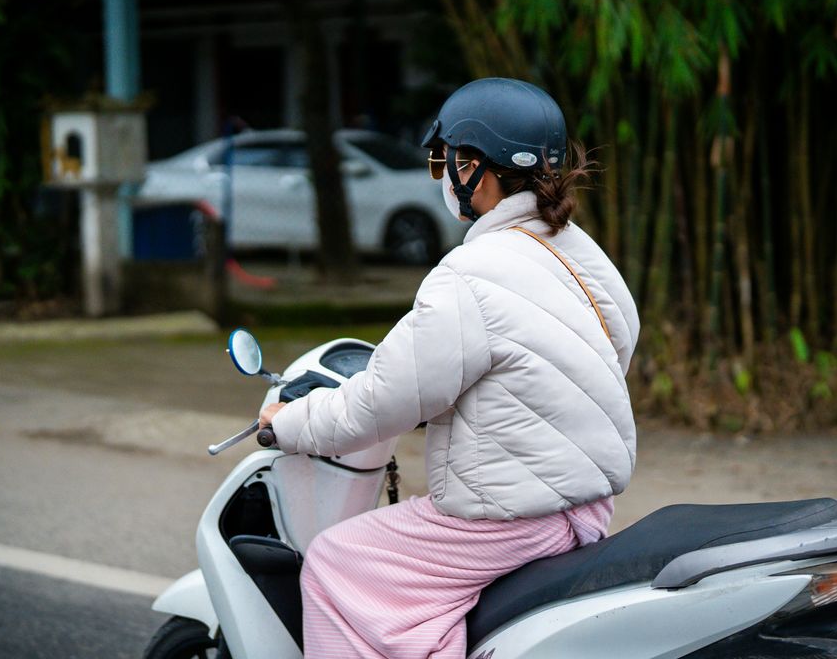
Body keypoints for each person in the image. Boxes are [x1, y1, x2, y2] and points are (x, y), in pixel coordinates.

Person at [259, 77, 640, 658]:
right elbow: (603, 354)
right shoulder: (584, 256)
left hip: (506, 522)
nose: (441, 178)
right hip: (586, 510)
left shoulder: (470, 274)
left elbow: (382, 400)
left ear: (475, 169)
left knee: (335, 564)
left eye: (444, 161)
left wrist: (285, 424)